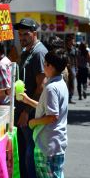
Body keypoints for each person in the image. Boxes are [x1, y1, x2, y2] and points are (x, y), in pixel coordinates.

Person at [20, 48, 68, 178]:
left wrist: (33, 122)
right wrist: (28, 100)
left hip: (48, 144)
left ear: (50, 66)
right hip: (54, 142)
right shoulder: (60, 83)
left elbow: (52, 116)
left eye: (45, 64)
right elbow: (48, 109)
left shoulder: (52, 88)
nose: (43, 67)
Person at [14, 18, 48, 178]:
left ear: (35, 33)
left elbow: (42, 86)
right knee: (23, 155)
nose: (22, 37)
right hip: (22, 113)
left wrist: (26, 111)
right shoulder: (28, 52)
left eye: (25, 34)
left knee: (29, 158)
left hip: (31, 115)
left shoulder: (39, 52)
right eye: (20, 34)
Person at [65, 34, 78, 104]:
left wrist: (76, 68)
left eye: (73, 40)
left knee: (72, 83)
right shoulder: (64, 49)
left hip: (72, 67)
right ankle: (65, 98)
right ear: (68, 41)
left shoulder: (74, 49)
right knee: (65, 83)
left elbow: (76, 59)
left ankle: (70, 98)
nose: (73, 41)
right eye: (72, 40)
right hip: (65, 67)